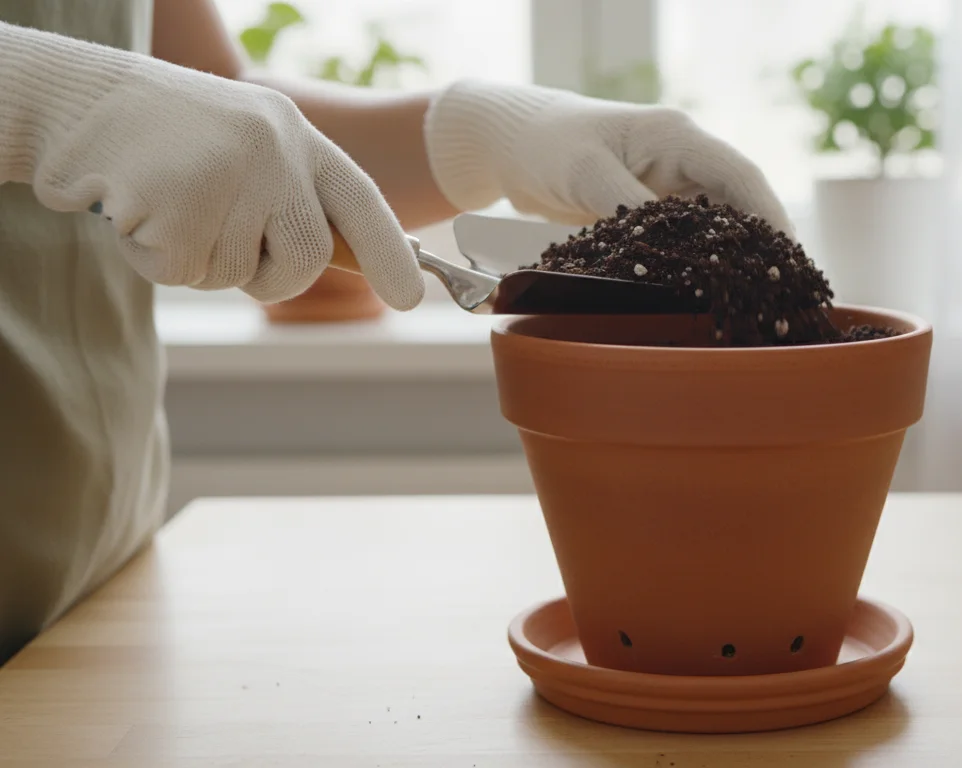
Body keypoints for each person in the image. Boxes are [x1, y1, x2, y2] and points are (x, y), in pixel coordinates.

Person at [0, 0, 792, 663]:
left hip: (108, 575)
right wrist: (39, 96)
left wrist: (490, 131)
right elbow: (128, 104)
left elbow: (221, 97)